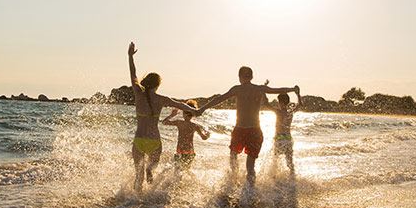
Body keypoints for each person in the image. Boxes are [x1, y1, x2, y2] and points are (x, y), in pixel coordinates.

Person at [196, 66, 298, 186]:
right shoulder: (259, 89)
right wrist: (292, 89)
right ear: (252, 77)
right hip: (255, 130)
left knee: (233, 155)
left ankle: (233, 181)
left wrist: (202, 109)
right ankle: (250, 192)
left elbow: (219, 99)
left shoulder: (237, 89)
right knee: (250, 166)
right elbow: (278, 90)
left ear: (239, 77)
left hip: (240, 129)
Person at [127, 42, 198, 191]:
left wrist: (130, 56)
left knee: (138, 176)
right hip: (154, 140)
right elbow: (180, 105)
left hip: (139, 139)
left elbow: (133, 74)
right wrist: (198, 111)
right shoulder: (161, 99)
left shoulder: (138, 93)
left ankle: (133, 205)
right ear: (158, 85)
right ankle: (150, 176)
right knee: (151, 169)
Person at [162, 100, 210, 173]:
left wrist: (172, 115)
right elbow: (204, 138)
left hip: (179, 150)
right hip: (190, 151)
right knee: (185, 171)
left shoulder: (179, 122)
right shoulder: (194, 126)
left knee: (177, 171)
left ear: (183, 113)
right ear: (193, 114)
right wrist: (208, 134)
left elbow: (164, 122)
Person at [265, 89, 302, 176]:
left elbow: (266, 104)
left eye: (279, 101)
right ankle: (292, 177)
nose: (278, 103)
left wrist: (264, 89)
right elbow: (300, 105)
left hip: (279, 138)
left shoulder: (278, 112)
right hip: (288, 138)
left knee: (275, 159)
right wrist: (298, 94)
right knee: (289, 160)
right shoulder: (290, 112)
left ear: (281, 102)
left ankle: (274, 177)